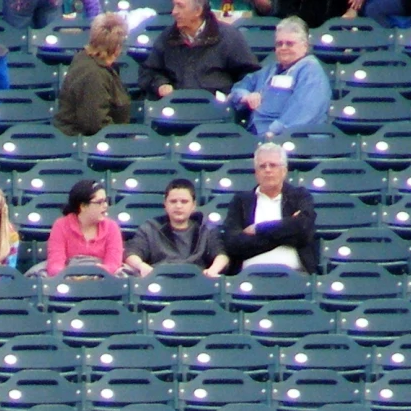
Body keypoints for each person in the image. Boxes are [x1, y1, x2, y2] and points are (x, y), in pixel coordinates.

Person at [204, 142, 320, 275]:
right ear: (256, 173)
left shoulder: (300, 196)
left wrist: (259, 228)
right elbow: (233, 244)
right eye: (262, 166)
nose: (268, 170)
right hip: (249, 278)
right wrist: (287, 230)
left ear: (284, 171)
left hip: (296, 277)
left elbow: (303, 231)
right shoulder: (241, 201)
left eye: (273, 165)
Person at [228, 16, 328, 136]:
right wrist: (246, 96)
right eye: (279, 44)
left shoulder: (310, 70)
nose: (283, 48)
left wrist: (274, 132)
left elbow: (304, 111)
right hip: (254, 133)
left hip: (290, 139)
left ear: (305, 46)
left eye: (289, 44)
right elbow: (238, 88)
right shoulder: (271, 69)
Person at [139, 0, 255, 100]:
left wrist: (235, 94)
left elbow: (250, 74)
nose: (174, 12)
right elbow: (149, 72)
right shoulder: (167, 37)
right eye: (174, 5)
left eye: (180, 6)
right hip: (177, 106)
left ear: (198, 11)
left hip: (217, 110)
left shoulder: (229, 37)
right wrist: (161, 85)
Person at [52, 11, 129, 136]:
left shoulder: (88, 60)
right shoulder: (94, 74)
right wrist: (123, 139)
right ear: (117, 47)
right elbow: (95, 123)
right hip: (84, 142)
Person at [123, 177, 220, 275]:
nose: (178, 206)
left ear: (193, 205)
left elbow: (220, 254)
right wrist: (141, 266)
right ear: (165, 204)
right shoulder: (149, 228)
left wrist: (213, 270)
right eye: (173, 201)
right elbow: (131, 253)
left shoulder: (206, 229)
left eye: (184, 201)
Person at [45, 176, 123, 275]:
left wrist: (96, 273)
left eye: (105, 201)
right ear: (83, 206)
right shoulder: (61, 225)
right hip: (68, 278)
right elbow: (55, 264)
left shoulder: (112, 227)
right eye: (99, 202)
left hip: (102, 280)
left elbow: (113, 264)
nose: (105, 206)